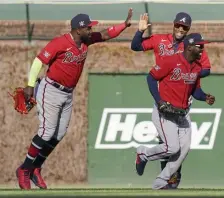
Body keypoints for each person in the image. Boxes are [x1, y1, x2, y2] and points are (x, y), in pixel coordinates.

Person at [16, 8, 133, 190]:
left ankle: (36, 167)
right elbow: (39, 61)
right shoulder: (60, 42)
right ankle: (24, 169)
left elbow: (105, 34)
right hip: (51, 89)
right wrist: (30, 84)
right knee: (47, 132)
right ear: (78, 30)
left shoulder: (85, 42)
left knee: (59, 133)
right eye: (87, 28)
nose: (90, 30)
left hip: (67, 93)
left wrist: (124, 25)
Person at [131, 12, 211, 188]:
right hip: (165, 98)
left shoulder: (191, 46)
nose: (181, 29)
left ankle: (168, 178)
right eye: (178, 25)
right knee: (169, 145)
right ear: (173, 25)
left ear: (188, 29)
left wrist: (188, 73)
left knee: (181, 147)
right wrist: (139, 31)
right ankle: (166, 178)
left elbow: (206, 68)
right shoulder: (160, 40)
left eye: (185, 27)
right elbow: (135, 46)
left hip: (185, 100)